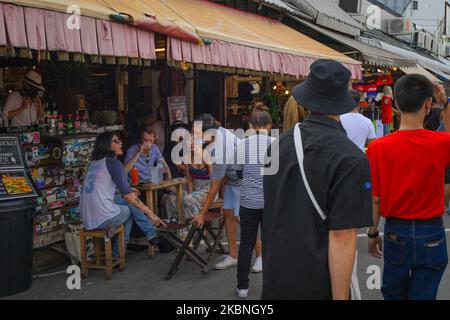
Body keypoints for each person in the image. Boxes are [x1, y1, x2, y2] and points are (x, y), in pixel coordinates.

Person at [263, 59, 373, 300]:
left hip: (275, 278)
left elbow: (271, 209)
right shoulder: (351, 158)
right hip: (317, 283)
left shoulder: (277, 146)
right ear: (342, 100)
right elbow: (342, 236)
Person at [367, 75, 450, 300]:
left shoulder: (378, 148)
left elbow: (376, 199)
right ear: (428, 104)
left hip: (396, 230)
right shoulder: (440, 143)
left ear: (395, 103)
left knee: (394, 292)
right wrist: (445, 102)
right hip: (432, 231)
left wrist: (373, 233)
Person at [80, 132, 165, 257]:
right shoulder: (113, 164)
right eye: (116, 141)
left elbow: (103, 188)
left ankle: (139, 241)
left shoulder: (94, 163)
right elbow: (129, 197)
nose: (121, 143)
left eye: (119, 140)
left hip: (87, 218)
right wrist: (152, 214)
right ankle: (144, 237)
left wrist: (127, 189)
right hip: (102, 218)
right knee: (130, 208)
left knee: (127, 203)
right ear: (107, 146)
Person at [233, 104, 275, 299]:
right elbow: (276, 174)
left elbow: (238, 172)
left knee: (246, 244)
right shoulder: (275, 143)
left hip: (248, 201)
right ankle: (271, 286)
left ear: (250, 125)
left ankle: (242, 287)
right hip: (270, 202)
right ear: (269, 124)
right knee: (271, 243)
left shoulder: (242, 144)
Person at [166, 132, 213, 221]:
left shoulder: (205, 155)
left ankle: (195, 227)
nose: (191, 143)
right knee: (171, 199)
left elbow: (214, 180)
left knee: (187, 200)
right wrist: (190, 193)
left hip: (208, 189)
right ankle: (179, 226)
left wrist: (208, 194)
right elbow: (190, 180)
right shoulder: (187, 156)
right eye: (189, 141)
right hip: (195, 188)